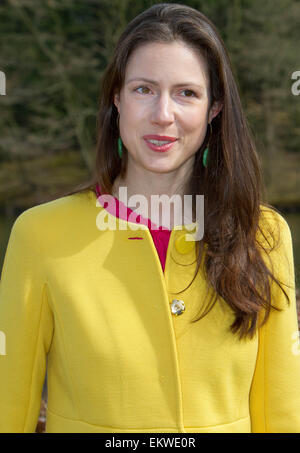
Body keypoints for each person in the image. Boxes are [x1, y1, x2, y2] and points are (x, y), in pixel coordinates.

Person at [0, 3, 300, 434]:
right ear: (116, 97)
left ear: (214, 108)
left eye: (187, 93)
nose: (163, 114)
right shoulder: (40, 234)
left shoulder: (265, 235)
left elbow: (282, 415)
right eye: (144, 89)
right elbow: (10, 408)